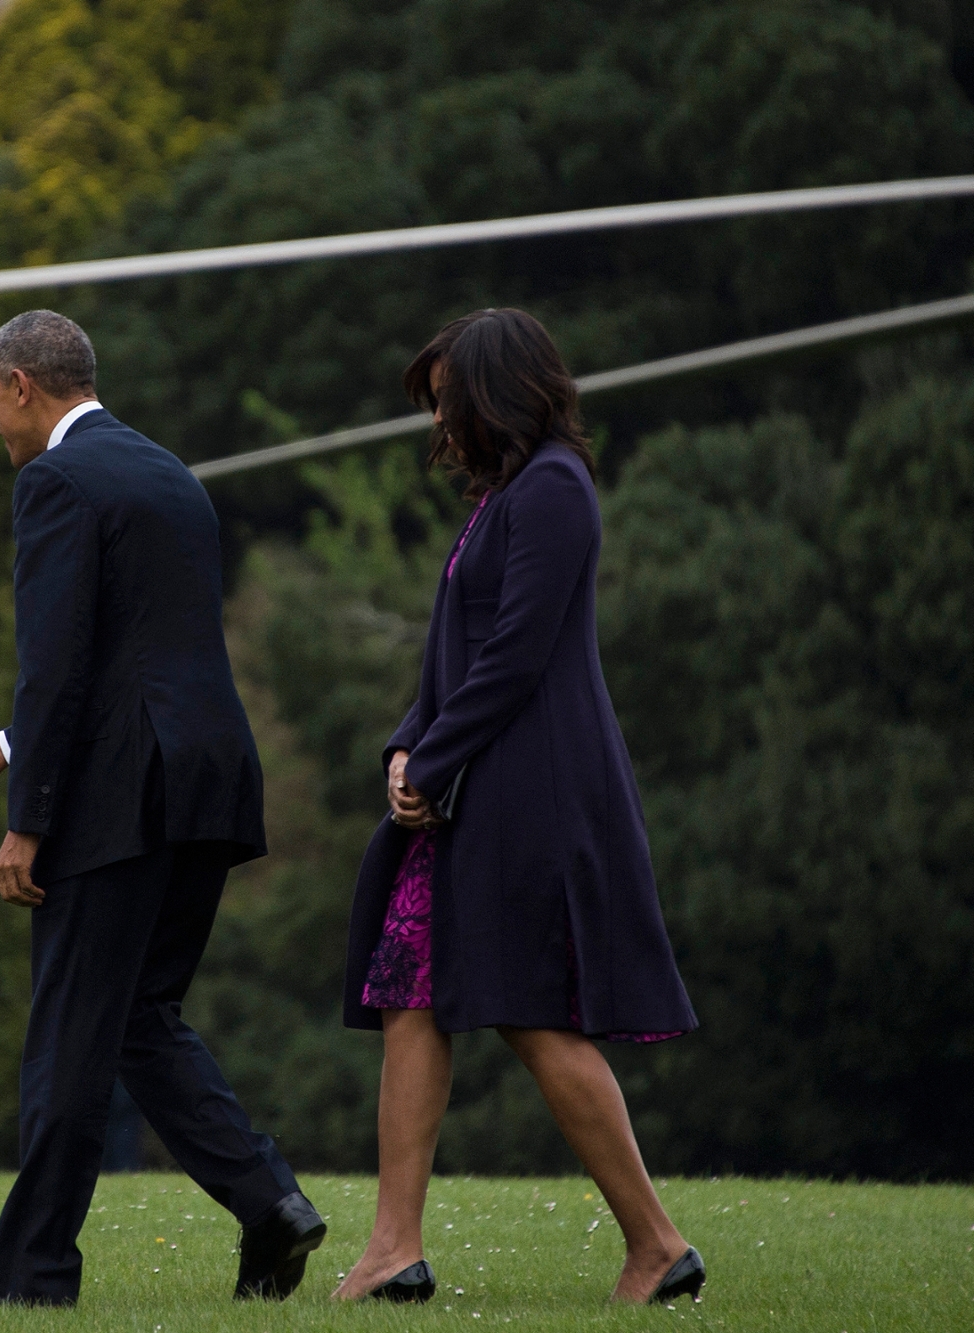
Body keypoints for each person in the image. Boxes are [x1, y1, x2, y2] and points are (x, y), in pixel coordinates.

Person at [0, 310, 324, 1308]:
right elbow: (134, 653)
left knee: (68, 1035)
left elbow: (56, 663)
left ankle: (30, 1279)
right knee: (138, 1018)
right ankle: (268, 1200)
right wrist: (6, 744)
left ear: (17, 384)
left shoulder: (52, 480)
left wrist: (27, 816)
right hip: (205, 784)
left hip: (116, 802)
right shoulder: (167, 472)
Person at [330, 309, 703, 1306]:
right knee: (408, 987)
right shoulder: (504, 497)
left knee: (531, 1015)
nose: (439, 421)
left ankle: (656, 1244)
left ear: (497, 392)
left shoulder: (551, 491)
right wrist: (406, 746)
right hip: (470, 791)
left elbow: (516, 656)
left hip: (526, 795)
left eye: (449, 398)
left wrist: (434, 760)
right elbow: (455, 654)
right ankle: (391, 1248)